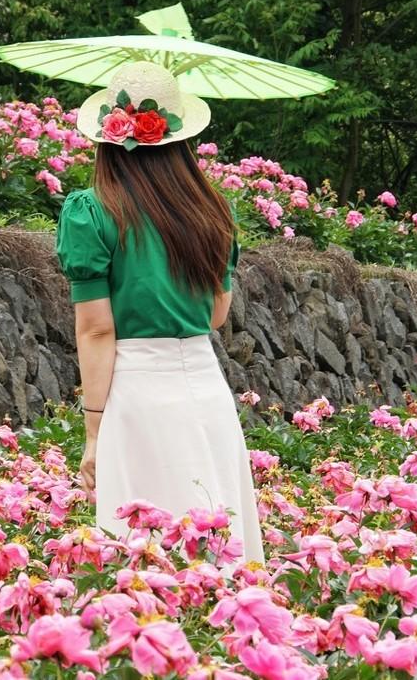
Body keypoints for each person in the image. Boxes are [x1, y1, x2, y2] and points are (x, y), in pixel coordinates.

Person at [55, 60, 265, 564]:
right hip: (205, 388)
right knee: (215, 539)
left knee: (144, 556)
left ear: (108, 139)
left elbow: (98, 330)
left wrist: (93, 432)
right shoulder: (212, 211)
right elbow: (216, 316)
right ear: (180, 141)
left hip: (137, 394)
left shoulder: (92, 212)